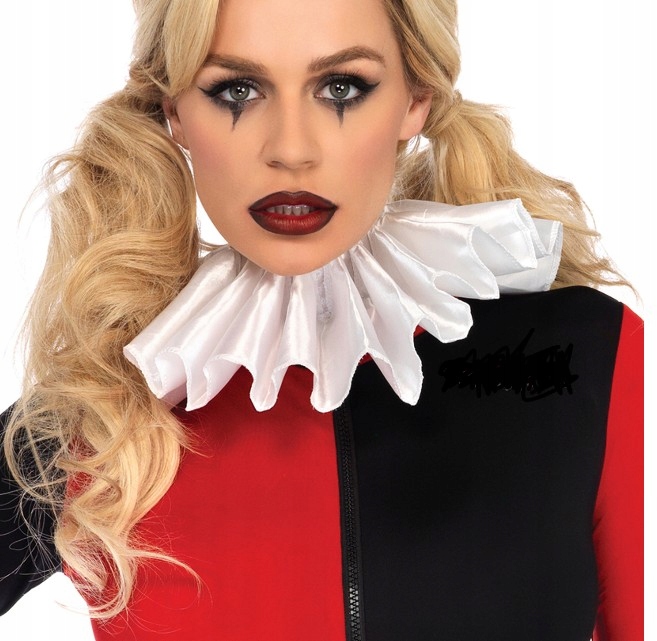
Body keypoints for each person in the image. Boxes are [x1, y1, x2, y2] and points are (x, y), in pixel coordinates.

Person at [0, 0, 644, 639]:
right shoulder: (100, 418)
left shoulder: (589, 358)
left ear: (416, 98)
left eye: (341, 88)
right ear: (174, 112)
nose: (291, 149)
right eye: (237, 90)